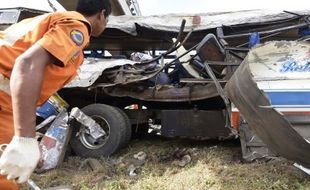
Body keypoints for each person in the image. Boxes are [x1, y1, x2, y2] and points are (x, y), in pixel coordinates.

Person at [0, 0, 111, 189]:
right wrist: (24, 139)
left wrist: (26, 140)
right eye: (107, 20)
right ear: (101, 15)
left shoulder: (46, 23)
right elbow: (26, 64)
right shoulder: (77, 24)